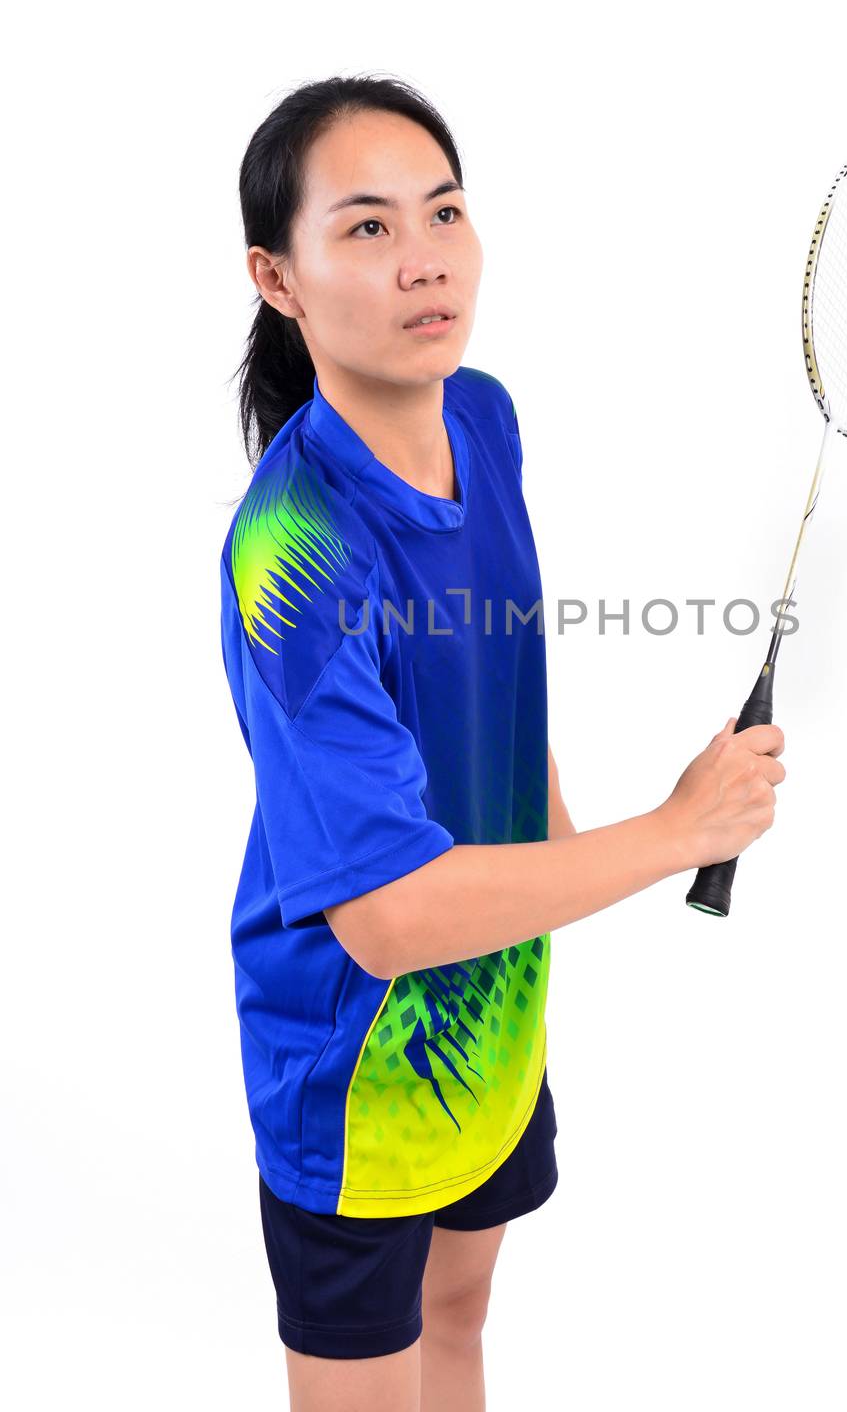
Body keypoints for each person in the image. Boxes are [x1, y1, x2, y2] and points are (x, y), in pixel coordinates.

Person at [219, 73, 786, 1412]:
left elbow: (492, 663)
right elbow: (386, 917)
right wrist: (674, 837)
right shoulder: (288, 558)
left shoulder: (482, 414)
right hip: (356, 1074)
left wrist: (571, 856)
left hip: (497, 1017)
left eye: (445, 211)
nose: (424, 261)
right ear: (277, 279)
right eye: (363, 228)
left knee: (459, 1317)